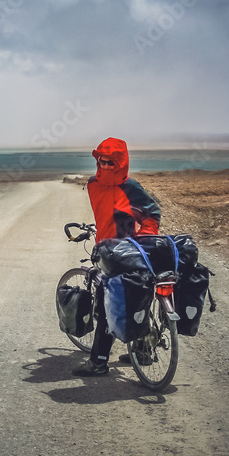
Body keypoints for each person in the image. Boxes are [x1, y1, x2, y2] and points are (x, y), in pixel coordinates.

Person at [74, 137, 161, 376]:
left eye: (111, 162)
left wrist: (142, 239)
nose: (105, 166)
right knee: (138, 298)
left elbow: (152, 215)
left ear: (121, 163)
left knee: (106, 305)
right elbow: (107, 216)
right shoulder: (93, 185)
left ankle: (99, 363)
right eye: (102, 161)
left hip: (126, 253)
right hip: (108, 250)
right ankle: (143, 351)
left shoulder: (130, 188)